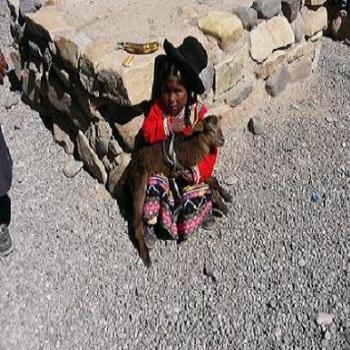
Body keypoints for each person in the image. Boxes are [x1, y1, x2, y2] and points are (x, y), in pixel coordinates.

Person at [141, 36, 217, 248]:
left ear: (189, 91)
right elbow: (147, 133)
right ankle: (151, 224)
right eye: (167, 90)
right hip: (165, 169)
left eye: (178, 92)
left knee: (198, 190)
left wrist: (196, 172)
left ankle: (200, 214)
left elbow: (211, 152)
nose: (171, 99)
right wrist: (166, 127)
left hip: (188, 171)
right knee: (154, 183)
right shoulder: (160, 109)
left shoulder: (197, 114)